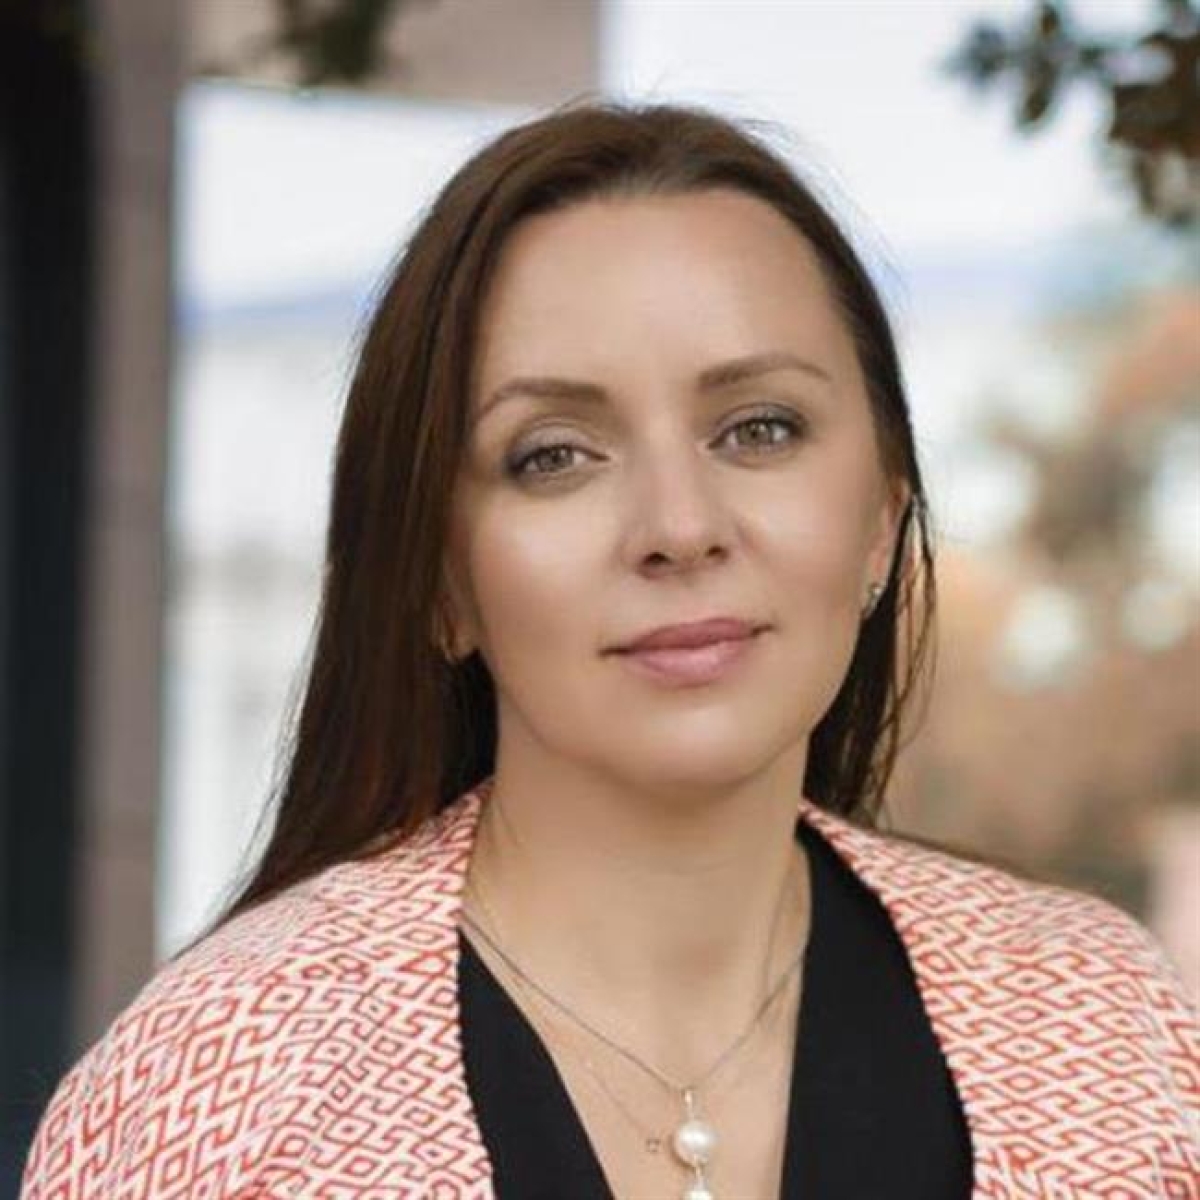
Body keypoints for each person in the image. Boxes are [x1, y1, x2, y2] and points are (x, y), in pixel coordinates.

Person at [20, 101, 1198, 1200]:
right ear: (439, 581)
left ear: (884, 519)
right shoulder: (219, 1090)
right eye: (553, 455)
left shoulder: (1111, 1034)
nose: (680, 527)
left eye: (760, 428)